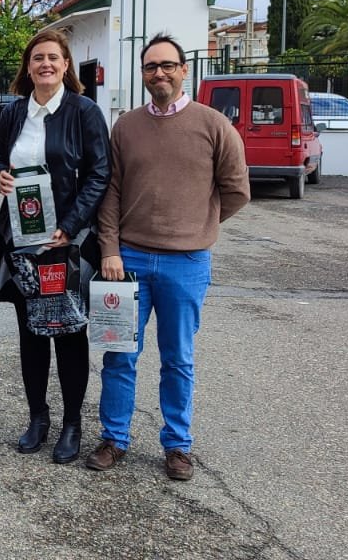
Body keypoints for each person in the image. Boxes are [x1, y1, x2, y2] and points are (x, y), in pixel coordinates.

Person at [89, 33, 249, 481]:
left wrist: (200, 227)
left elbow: (237, 191)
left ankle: (177, 445)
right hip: (128, 262)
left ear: (184, 70)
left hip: (187, 262)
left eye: (167, 65)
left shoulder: (215, 126)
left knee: (178, 357)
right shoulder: (126, 127)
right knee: (118, 354)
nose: (158, 73)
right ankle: (114, 437)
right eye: (150, 67)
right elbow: (111, 192)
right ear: (143, 74)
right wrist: (110, 248)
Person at [0, 29, 111, 465]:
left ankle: (73, 422)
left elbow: (100, 174)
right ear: (28, 67)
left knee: (70, 334)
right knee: (31, 333)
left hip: (65, 244)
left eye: (53, 58)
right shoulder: (13, 113)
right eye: (37, 57)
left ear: (65, 66)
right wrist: (1, 176)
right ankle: (37, 417)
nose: (44, 64)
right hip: (21, 242)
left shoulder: (84, 112)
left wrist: (70, 225)